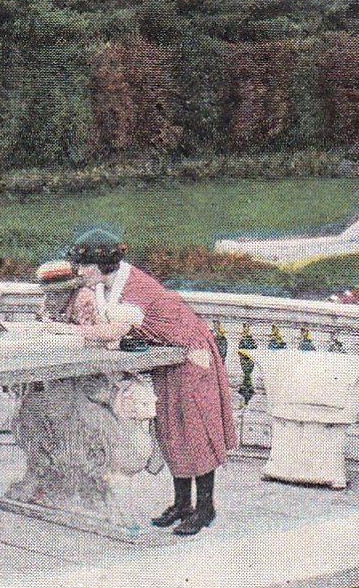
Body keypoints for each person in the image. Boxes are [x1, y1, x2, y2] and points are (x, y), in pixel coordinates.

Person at [65, 227, 238, 536]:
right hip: (167, 356)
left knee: (195, 430)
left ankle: (206, 508)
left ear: (102, 264)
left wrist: (66, 332)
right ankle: (182, 504)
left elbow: (113, 331)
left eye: (84, 265)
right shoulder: (107, 286)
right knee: (170, 429)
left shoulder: (135, 289)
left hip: (191, 353)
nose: (79, 272)